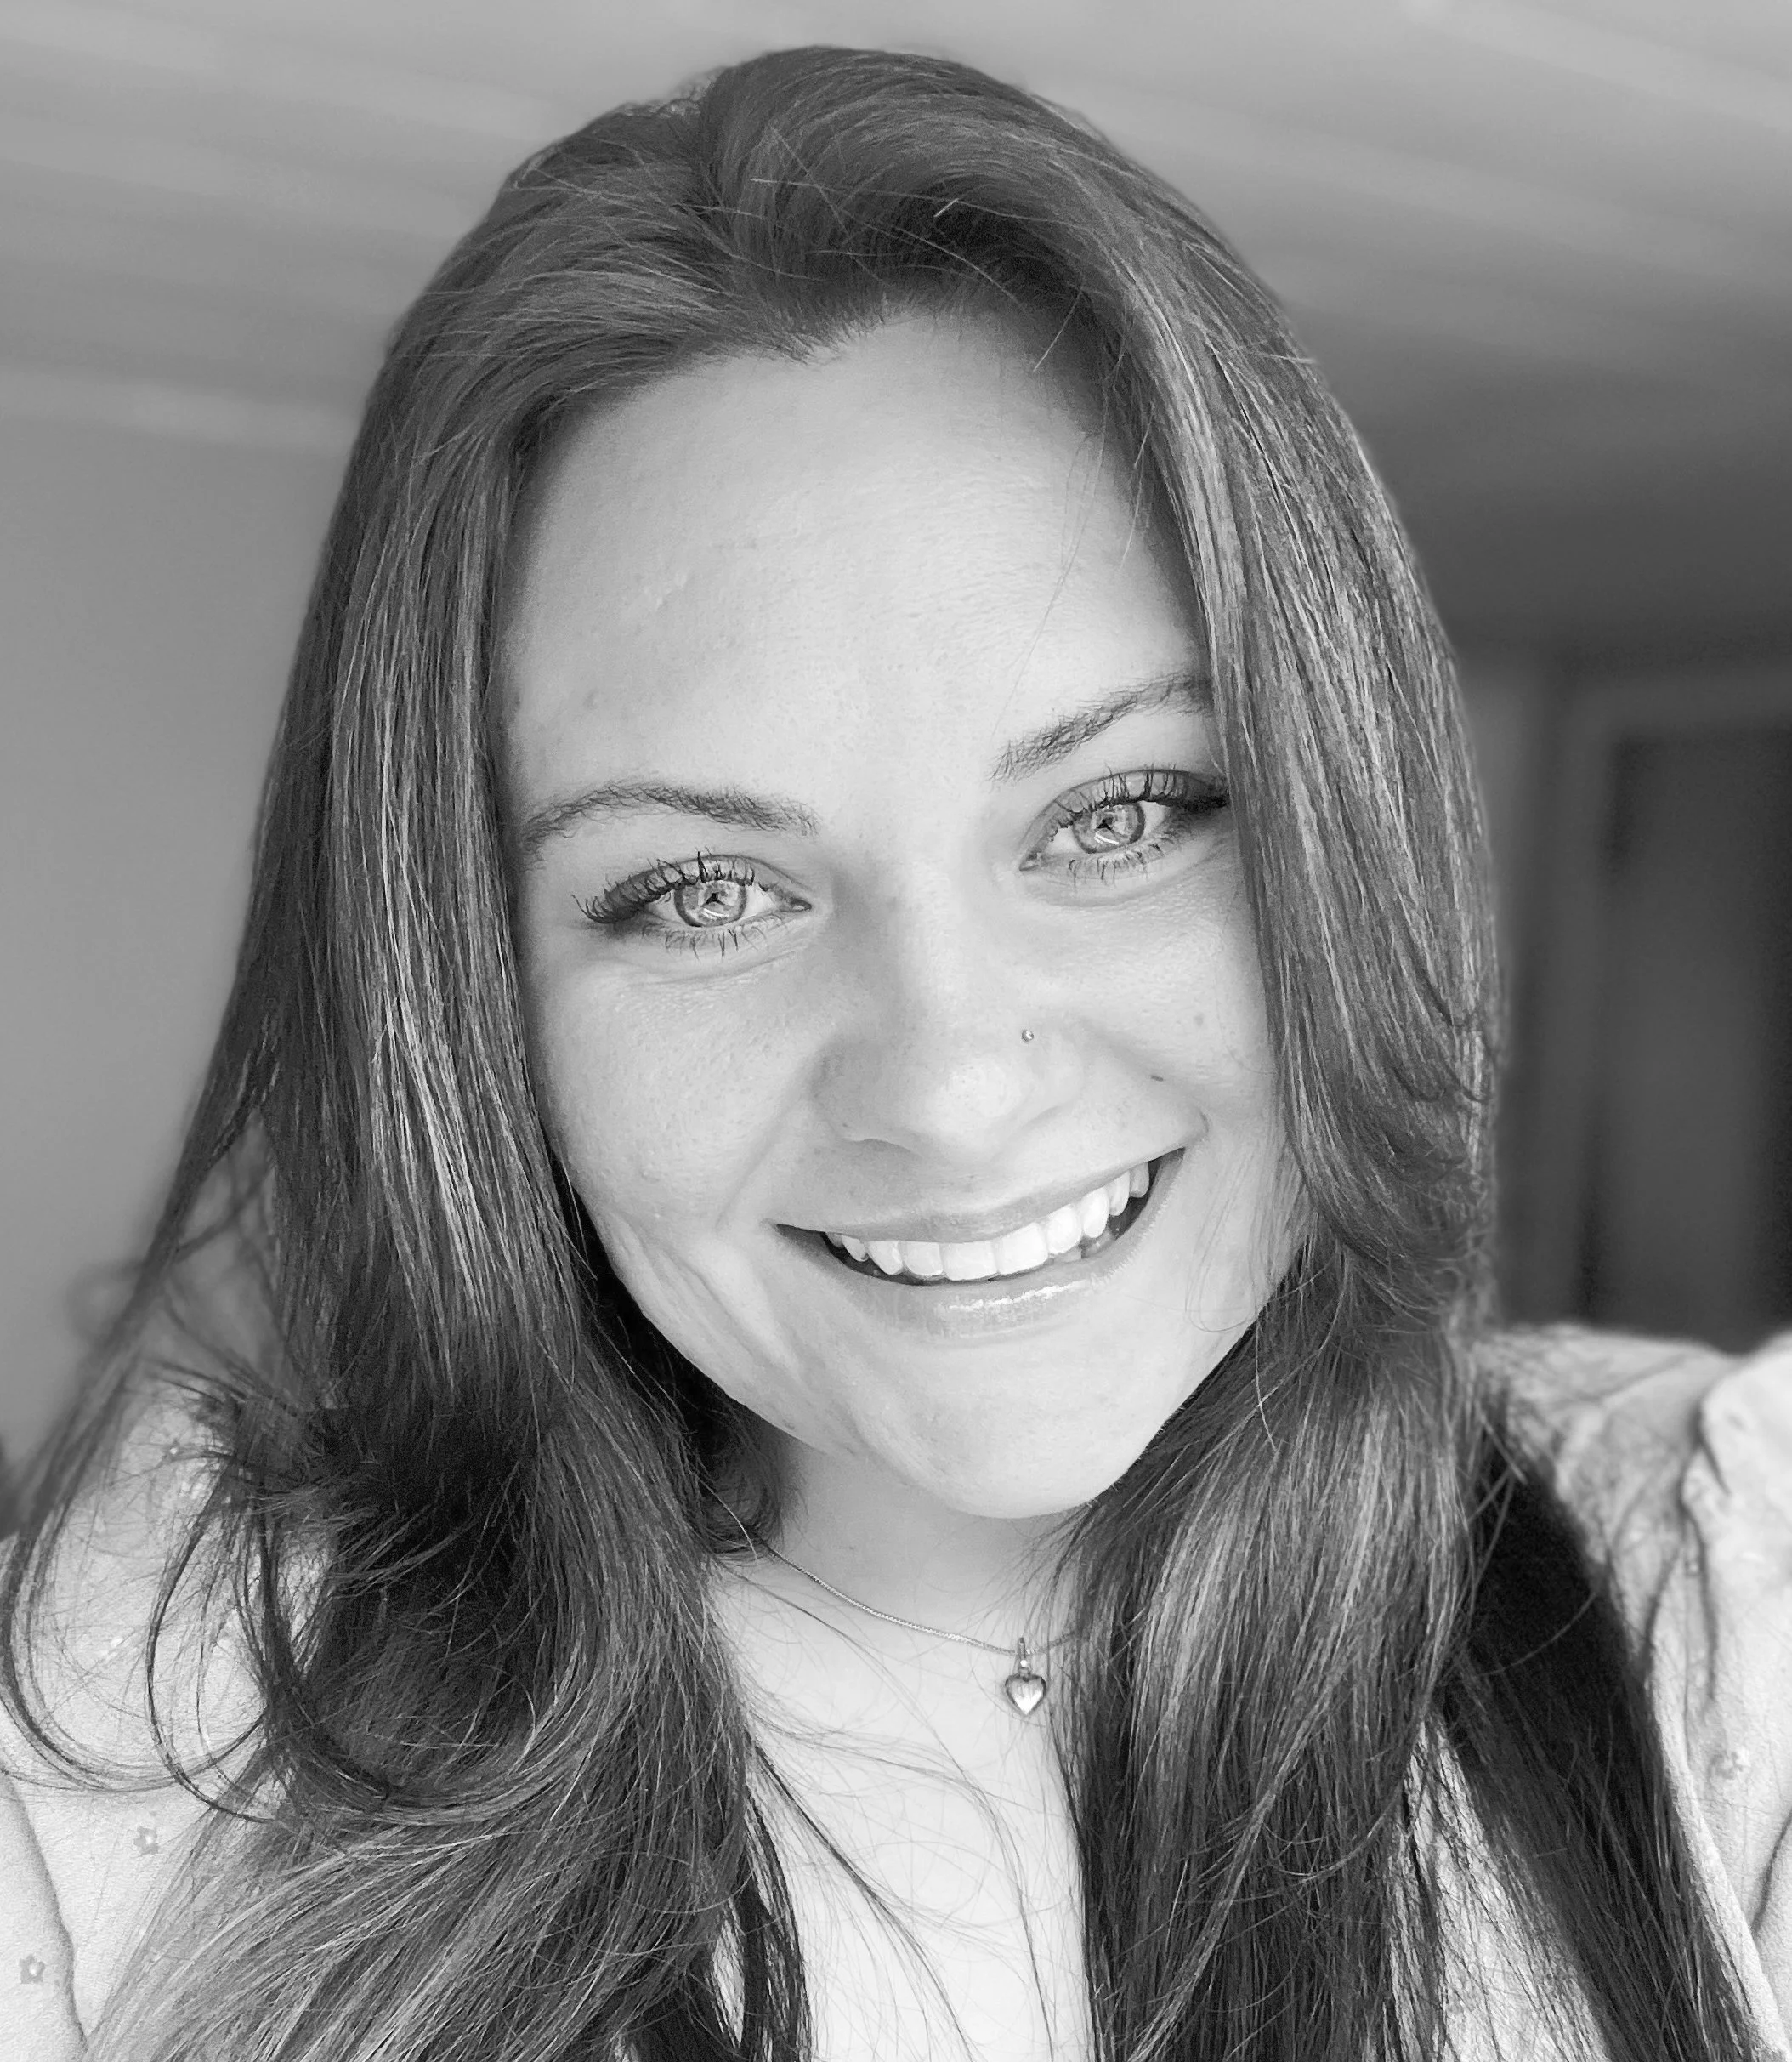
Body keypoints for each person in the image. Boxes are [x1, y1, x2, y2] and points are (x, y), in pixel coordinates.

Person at [1, 43, 1787, 2062]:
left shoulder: (1703, 1602)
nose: (946, 1084)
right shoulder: (160, 1729)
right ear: (475, 994)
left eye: (1119, 815)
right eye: (699, 891)